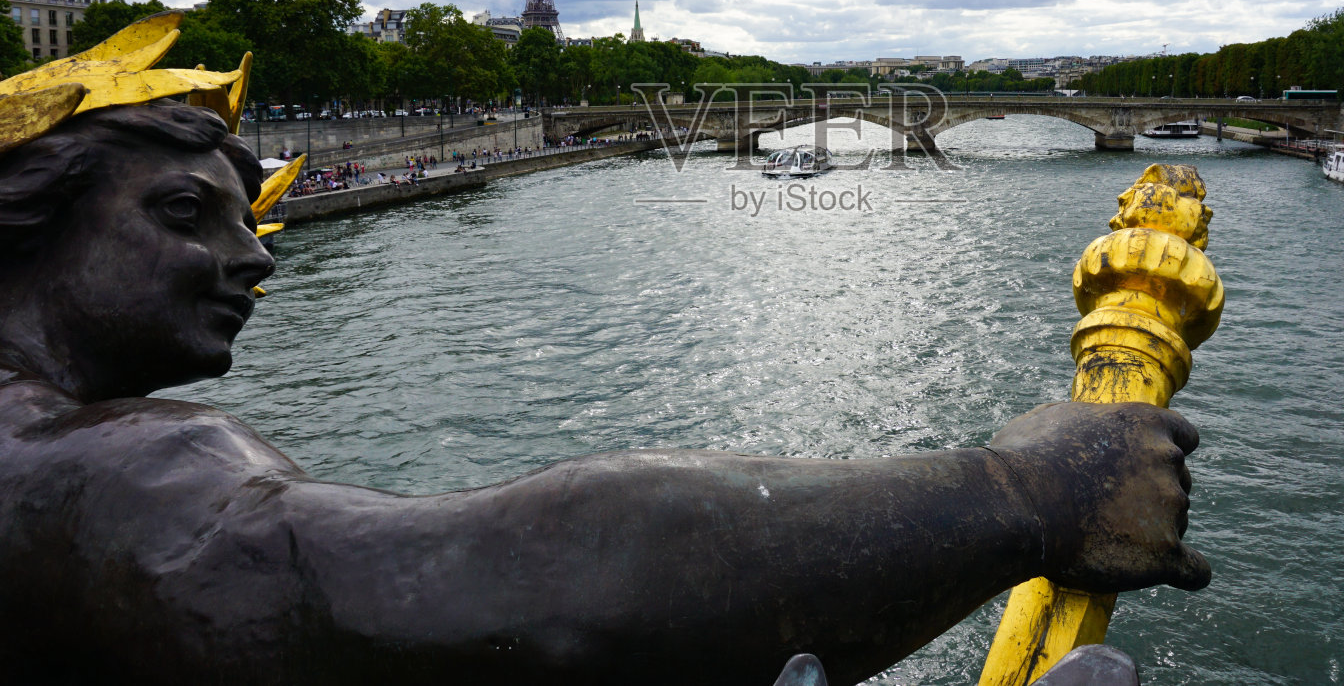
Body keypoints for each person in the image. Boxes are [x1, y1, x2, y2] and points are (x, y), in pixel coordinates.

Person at [0, 104, 1206, 685]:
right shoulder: (91, 468)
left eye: (247, 212)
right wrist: (1023, 490)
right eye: (183, 212)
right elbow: (530, 579)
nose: (259, 254)